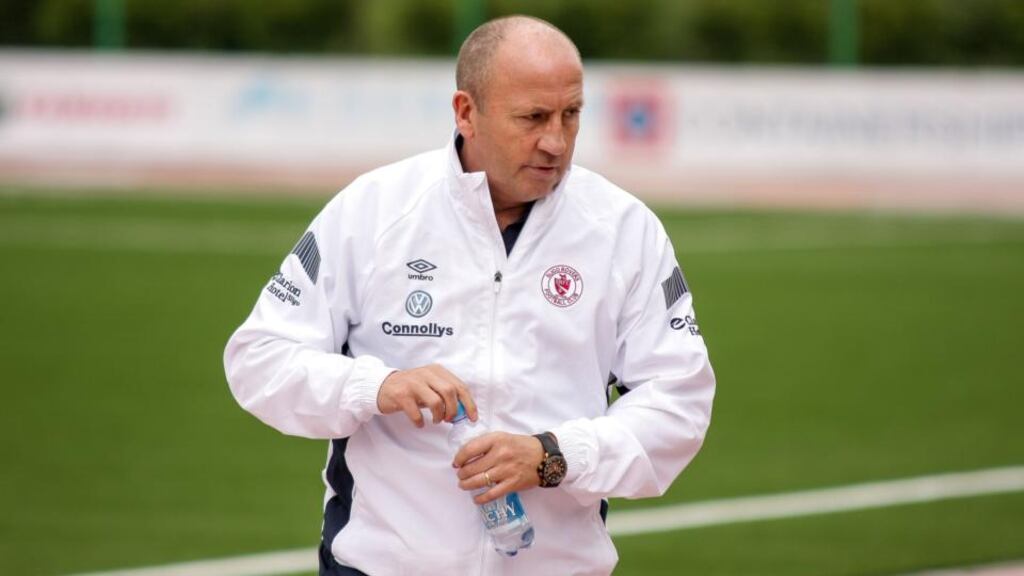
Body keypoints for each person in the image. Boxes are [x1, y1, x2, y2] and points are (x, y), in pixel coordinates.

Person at [224, 15, 715, 576]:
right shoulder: (374, 210)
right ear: (466, 112)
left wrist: (555, 456)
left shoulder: (625, 230)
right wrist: (375, 386)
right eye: (532, 118)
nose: (555, 141)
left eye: (571, 115)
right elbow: (259, 359)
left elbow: (679, 402)